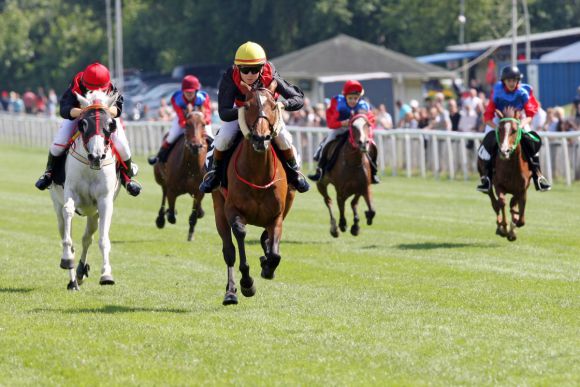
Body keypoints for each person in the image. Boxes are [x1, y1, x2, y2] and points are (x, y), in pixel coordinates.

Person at [199, 41, 309, 193]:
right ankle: (215, 175)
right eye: (245, 70)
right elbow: (224, 112)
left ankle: (294, 175)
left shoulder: (271, 73)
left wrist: (283, 104)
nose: (250, 74)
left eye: (255, 69)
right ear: (237, 68)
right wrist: (245, 108)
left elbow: (298, 98)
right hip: (241, 113)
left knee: (283, 137)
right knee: (224, 137)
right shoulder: (230, 77)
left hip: (267, 114)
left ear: (262, 67)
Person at [35, 62, 141, 196]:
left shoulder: (110, 87)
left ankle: (127, 178)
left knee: (122, 145)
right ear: (84, 82)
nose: (96, 91)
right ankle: (49, 173)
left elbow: (118, 108)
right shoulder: (76, 85)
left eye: (100, 88)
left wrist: (106, 111)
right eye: (92, 88)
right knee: (58, 144)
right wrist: (83, 112)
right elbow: (64, 109)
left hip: (104, 119)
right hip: (80, 117)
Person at [476, 65, 551, 193]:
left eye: (514, 80)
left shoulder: (523, 92)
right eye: (508, 80)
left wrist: (521, 125)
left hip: (519, 121)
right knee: (486, 145)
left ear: (518, 81)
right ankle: (487, 179)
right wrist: (497, 128)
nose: (511, 83)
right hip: (498, 120)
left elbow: (530, 114)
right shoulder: (497, 91)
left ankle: (538, 176)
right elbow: (487, 116)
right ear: (503, 81)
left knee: (531, 141)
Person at [307, 80, 379, 183]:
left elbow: (372, 121)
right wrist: (341, 123)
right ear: (345, 96)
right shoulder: (337, 103)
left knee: (373, 144)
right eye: (350, 98)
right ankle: (320, 170)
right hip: (340, 128)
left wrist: (364, 123)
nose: (353, 101)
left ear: (359, 98)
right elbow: (330, 124)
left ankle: (373, 172)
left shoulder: (364, 106)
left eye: (355, 98)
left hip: (357, 130)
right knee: (327, 142)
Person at [148, 75, 213, 165]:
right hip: (183, 119)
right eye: (187, 92)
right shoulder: (176, 99)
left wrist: (203, 124)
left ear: (196, 91)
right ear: (183, 91)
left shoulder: (203, 98)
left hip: (200, 120)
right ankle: (159, 157)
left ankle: (216, 162)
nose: (189, 94)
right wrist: (185, 125)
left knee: (211, 137)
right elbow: (180, 116)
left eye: (191, 92)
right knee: (172, 135)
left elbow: (208, 114)